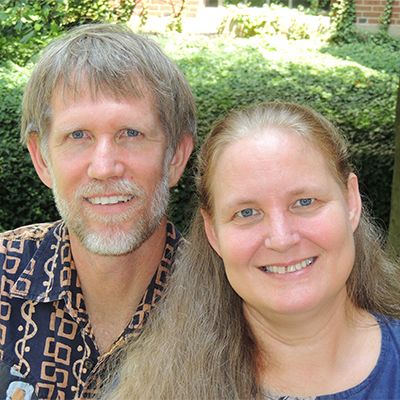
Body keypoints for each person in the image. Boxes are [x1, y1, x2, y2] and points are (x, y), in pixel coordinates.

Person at [98, 101, 400, 400]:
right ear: (213, 232)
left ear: (351, 202)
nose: (281, 239)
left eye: (305, 202)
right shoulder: (153, 390)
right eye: (246, 213)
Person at [0, 23, 195, 399]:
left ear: (176, 157)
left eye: (131, 134)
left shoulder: (226, 304)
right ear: (42, 159)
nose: (104, 167)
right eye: (78, 136)